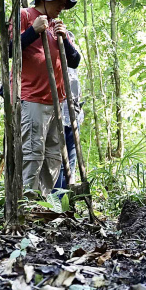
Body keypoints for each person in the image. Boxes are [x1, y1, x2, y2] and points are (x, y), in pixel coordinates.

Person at [15, 0, 80, 194]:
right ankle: (27, 202)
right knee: (33, 152)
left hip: (56, 102)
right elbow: (8, 49)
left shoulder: (57, 24)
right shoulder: (24, 15)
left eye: (64, 3)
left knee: (53, 155)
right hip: (32, 97)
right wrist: (33, 31)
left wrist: (65, 39)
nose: (62, 7)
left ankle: (43, 201)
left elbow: (74, 61)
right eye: (59, 1)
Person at [54, 50, 84, 189]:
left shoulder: (73, 68)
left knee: (70, 163)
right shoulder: (51, 63)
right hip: (55, 119)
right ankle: (57, 203)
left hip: (72, 119)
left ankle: (67, 203)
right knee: (57, 162)